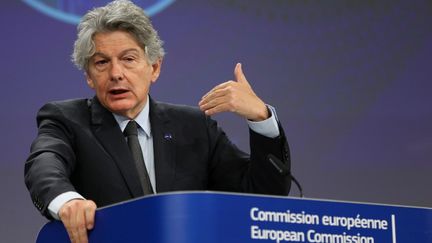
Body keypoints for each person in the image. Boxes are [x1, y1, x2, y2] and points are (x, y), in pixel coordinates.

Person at [24, 0, 291, 242]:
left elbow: (262, 195)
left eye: (128, 59)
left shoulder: (194, 126)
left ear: (154, 68)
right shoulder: (66, 119)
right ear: (89, 76)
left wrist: (261, 119)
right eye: (102, 62)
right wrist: (68, 202)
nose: (116, 73)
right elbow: (44, 164)